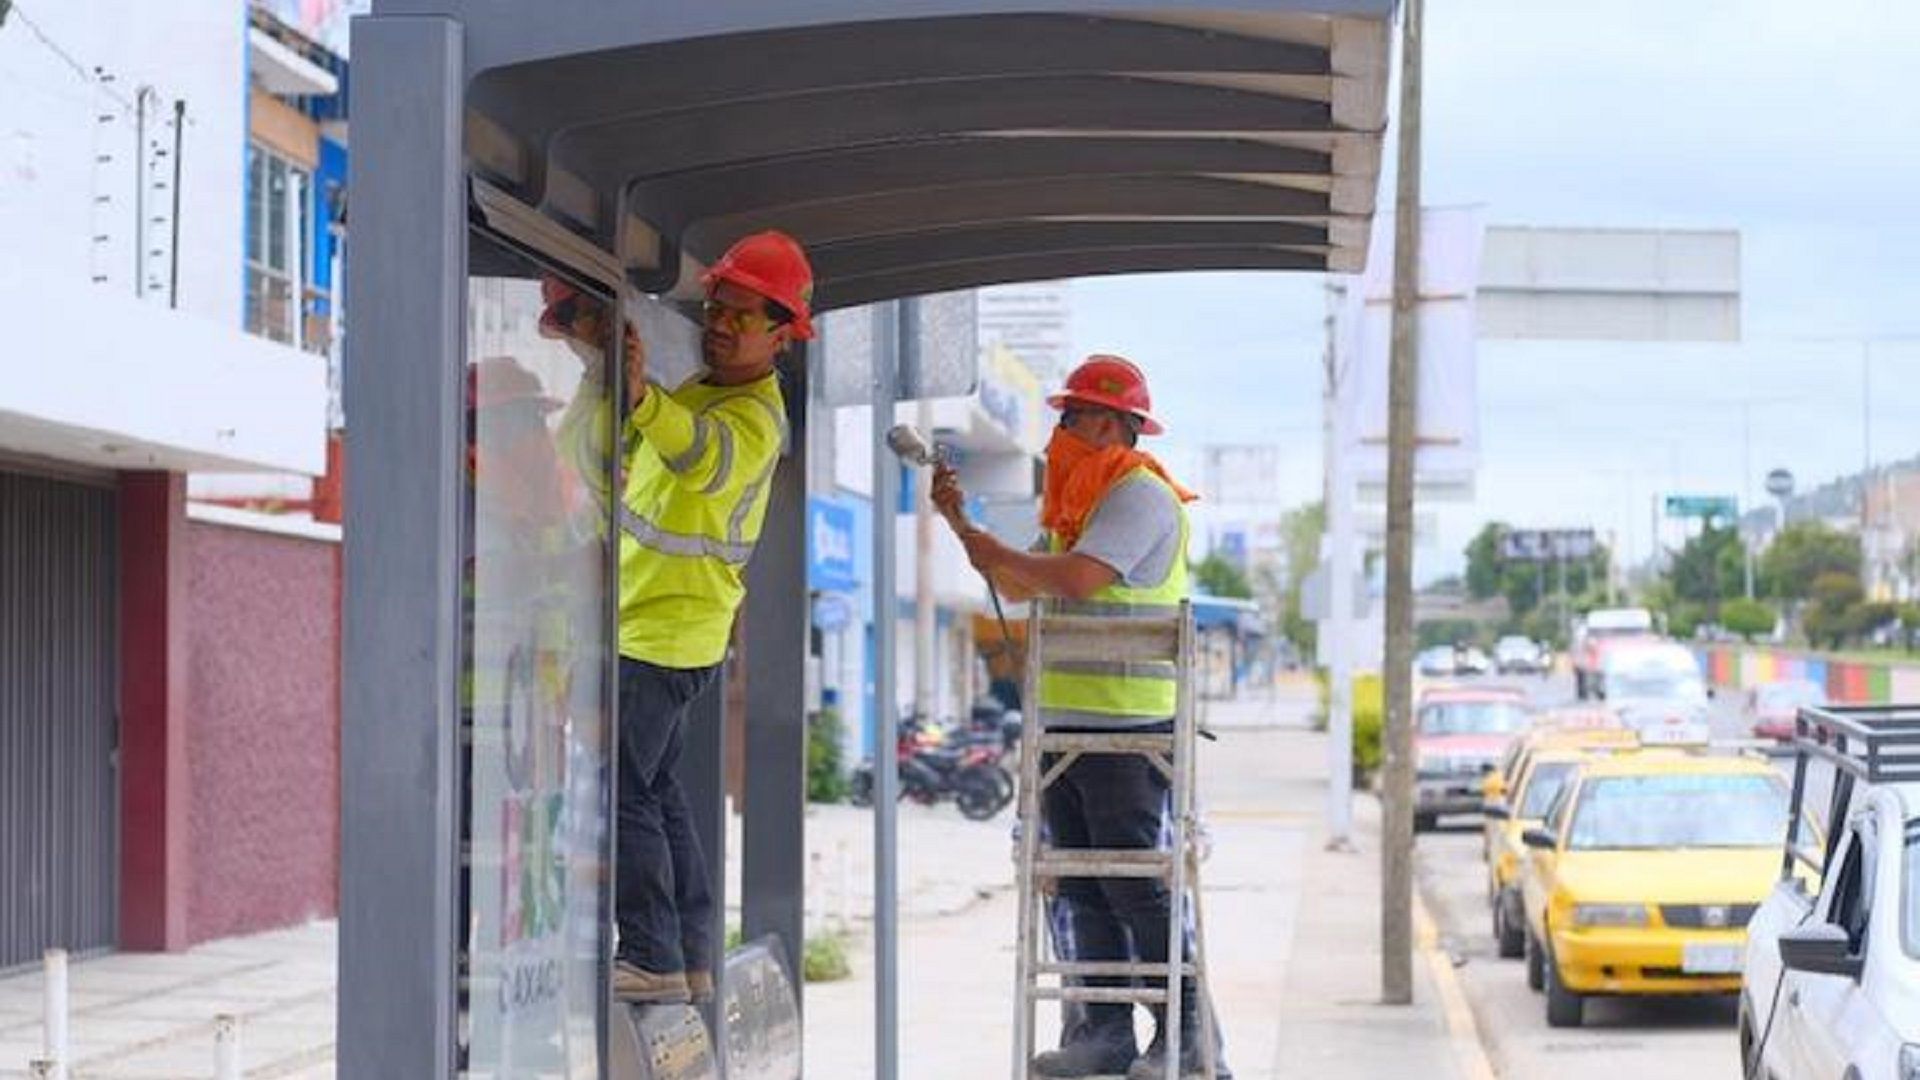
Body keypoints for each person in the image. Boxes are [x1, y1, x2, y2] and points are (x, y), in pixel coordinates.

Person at [932, 355, 1221, 1080]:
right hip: (1066, 726)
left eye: (1081, 417)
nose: (1065, 431)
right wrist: (961, 524)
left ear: (1123, 426)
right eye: (1062, 418)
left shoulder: (1136, 496)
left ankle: (1184, 1030)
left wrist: (1002, 553)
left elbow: (1081, 580)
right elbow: (1015, 582)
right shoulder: (1075, 508)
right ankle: (1105, 1032)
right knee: (1079, 883)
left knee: (1130, 882)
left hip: (1127, 727)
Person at [548, 231, 815, 1005]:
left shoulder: (754, 416)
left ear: (781, 332)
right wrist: (605, 373)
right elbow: (590, 451)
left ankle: (654, 957)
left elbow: (701, 456)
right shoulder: (699, 391)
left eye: (741, 315)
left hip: (664, 633)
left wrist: (638, 396)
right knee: (655, 792)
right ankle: (689, 956)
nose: (721, 323)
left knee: (623, 789)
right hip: (654, 627)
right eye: (717, 309)